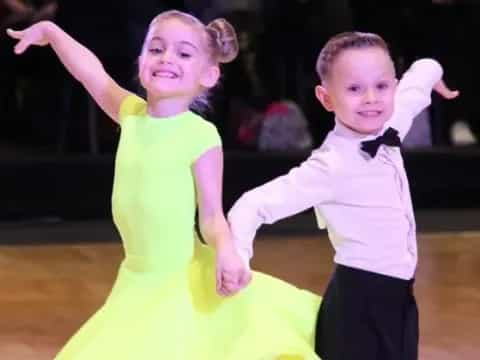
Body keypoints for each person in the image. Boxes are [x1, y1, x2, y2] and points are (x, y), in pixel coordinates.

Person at [7, 10, 321, 359]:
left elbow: (212, 216)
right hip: (137, 276)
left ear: (208, 74)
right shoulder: (130, 115)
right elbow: (90, 73)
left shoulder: (199, 136)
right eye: (156, 49)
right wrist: (52, 32)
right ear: (141, 60)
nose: (167, 58)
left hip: (179, 280)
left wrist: (226, 252)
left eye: (184, 53)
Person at [227, 32, 459, 360]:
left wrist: (434, 74)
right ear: (326, 98)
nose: (371, 98)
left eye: (381, 86)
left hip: (400, 299)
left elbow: (420, 77)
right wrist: (236, 255)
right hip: (358, 307)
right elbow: (252, 205)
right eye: (354, 88)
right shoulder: (331, 164)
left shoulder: (392, 121)